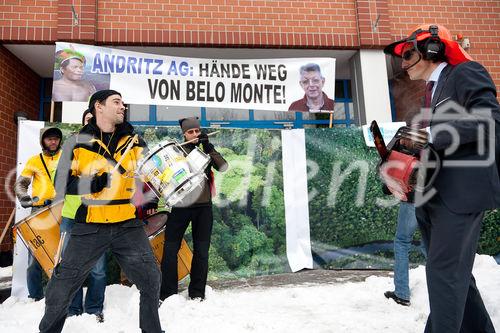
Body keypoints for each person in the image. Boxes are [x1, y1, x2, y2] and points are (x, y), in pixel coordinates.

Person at [384, 24, 500, 332]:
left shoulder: (465, 73)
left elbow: (490, 122)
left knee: (444, 274)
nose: (403, 61)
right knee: (456, 276)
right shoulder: (432, 91)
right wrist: (406, 161)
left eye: (408, 53)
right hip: (433, 196)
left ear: (431, 51)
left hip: (460, 196)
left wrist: (433, 134)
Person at [40, 90, 163, 333]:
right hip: (90, 223)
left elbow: (149, 174)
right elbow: (60, 185)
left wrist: (162, 180)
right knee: (61, 286)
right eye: (116, 102)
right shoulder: (76, 142)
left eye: (123, 103)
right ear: (99, 106)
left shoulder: (135, 142)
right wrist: (92, 183)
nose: (122, 107)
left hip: (127, 222)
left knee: (151, 279)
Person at [160, 117, 228, 301]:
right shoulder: (175, 152)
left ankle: (197, 293)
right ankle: (167, 293)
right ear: (184, 133)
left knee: (201, 250)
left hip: (203, 207)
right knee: (170, 250)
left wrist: (209, 147)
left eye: (197, 131)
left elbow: (223, 166)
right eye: (191, 132)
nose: (195, 135)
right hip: (180, 206)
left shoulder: (204, 150)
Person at [56, 108, 107, 322]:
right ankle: (73, 309)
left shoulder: (105, 148)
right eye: (88, 120)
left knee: (98, 269)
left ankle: (94, 309)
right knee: (71, 266)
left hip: (98, 214)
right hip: (71, 216)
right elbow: (60, 181)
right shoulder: (72, 146)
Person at [14, 126, 62, 301]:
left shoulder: (66, 158)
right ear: (43, 141)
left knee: (61, 254)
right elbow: (20, 184)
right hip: (39, 212)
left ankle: (58, 294)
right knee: (35, 256)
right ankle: (35, 296)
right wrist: (24, 198)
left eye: (56, 138)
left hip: (61, 210)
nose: (53, 141)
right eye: (49, 138)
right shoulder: (34, 161)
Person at [384, 202, 422, 306]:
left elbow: (403, 185)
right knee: (429, 244)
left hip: (412, 201)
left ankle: (401, 293)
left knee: (402, 242)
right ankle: (445, 289)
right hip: (434, 202)